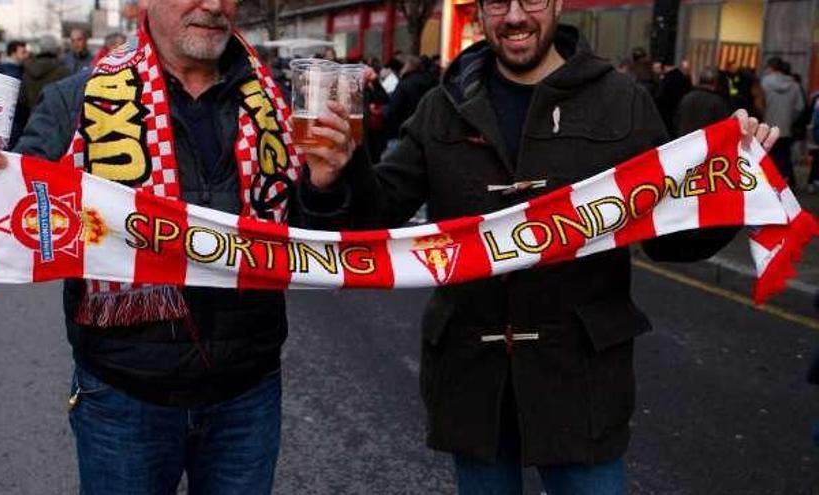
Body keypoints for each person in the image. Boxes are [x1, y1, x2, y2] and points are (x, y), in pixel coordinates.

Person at [300, 0, 779, 492]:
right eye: (497, 3)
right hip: (473, 380)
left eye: (530, 0)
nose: (514, 17)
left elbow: (668, 241)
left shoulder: (622, 101)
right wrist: (335, 177)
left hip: (581, 381)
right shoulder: (441, 107)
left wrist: (733, 194)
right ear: (480, 12)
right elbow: (375, 218)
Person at [0, 0, 350, 493]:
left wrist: (327, 186)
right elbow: (1, 208)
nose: (214, 5)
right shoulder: (76, 100)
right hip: (122, 396)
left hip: (248, 390)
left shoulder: (281, 105)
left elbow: (315, 240)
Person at [762, 56, 804, 187]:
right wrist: (790, 118)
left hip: (767, 127)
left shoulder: (764, 82)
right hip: (785, 128)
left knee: (767, 157)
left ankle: (767, 183)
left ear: (771, 67)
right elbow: (800, 107)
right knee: (785, 157)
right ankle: (787, 183)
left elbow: (759, 103)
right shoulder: (795, 85)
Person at [674, 66, 731, 137]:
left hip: (684, 141)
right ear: (715, 82)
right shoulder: (718, 102)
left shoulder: (687, 97)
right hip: (704, 142)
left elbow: (677, 120)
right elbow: (722, 127)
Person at [21, 35, 70, 115]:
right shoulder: (63, 70)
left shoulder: (28, 69)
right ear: (55, 49)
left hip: (32, 118)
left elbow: (22, 98)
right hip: (57, 119)